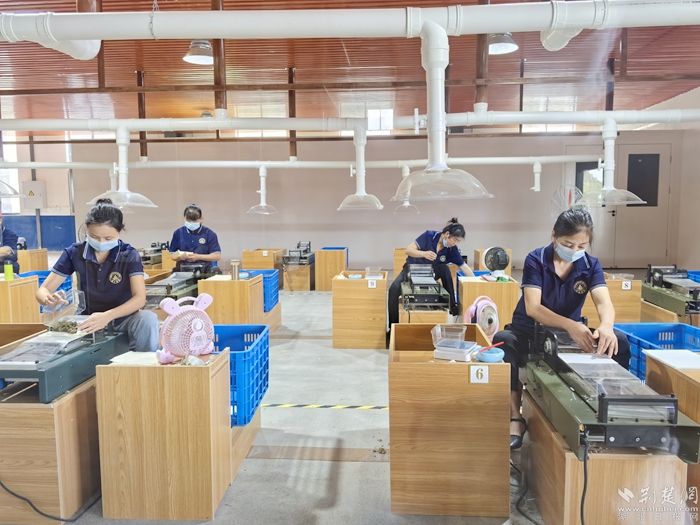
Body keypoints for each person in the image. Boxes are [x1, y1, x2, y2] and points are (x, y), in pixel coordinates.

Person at [492, 207, 631, 450]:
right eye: (568, 244)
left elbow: (603, 302)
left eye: (581, 246)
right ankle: (515, 417)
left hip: (568, 336)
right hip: (530, 331)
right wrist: (571, 325)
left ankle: (612, 414)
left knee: (618, 342)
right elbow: (534, 307)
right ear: (554, 236)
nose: (574, 250)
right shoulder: (536, 259)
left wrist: (606, 327)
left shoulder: (590, 265)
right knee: (503, 342)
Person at [35, 199, 159, 352]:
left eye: (108, 239)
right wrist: (48, 299)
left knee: (148, 319)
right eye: (94, 237)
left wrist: (107, 316)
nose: (101, 242)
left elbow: (139, 298)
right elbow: (42, 290)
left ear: (119, 232)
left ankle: (144, 361)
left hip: (123, 319)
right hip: (89, 320)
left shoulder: (129, 255)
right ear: (87, 230)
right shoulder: (75, 253)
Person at [388, 218, 475, 327]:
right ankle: (393, 327)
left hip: (430, 272)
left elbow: (464, 267)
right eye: (455, 240)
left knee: (444, 269)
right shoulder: (429, 236)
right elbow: (408, 250)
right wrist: (423, 254)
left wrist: (476, 281)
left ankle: (453, 306)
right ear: (447, 234)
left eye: (458, 241)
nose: (455, 243)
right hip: (412, 269)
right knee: (393, 290)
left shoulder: (452, 249)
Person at [169, 204, 221, 271]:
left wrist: (198, 257)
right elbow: (172, 254)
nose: (191, 223)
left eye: (194, 221)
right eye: (189, 220)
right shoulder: (178, 233)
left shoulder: (209, 234)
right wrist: (180, 257)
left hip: (204, 271)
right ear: (184, 218)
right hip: (183, 270)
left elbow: (217, 256)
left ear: (201, 219)